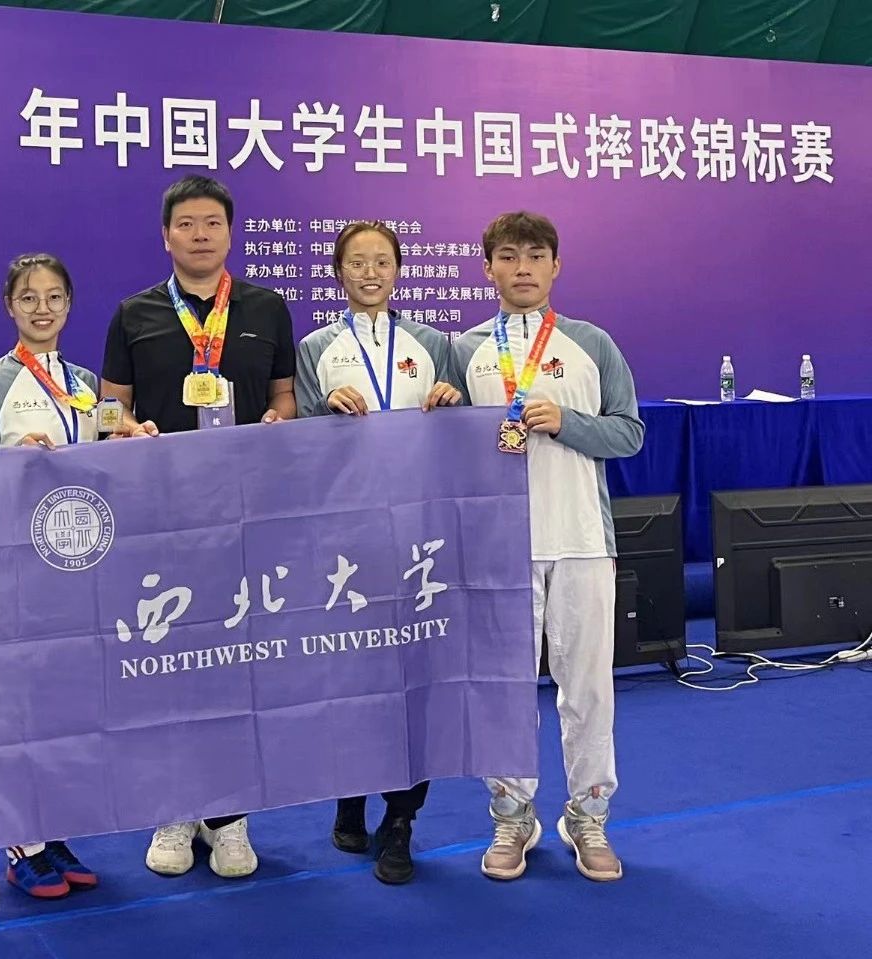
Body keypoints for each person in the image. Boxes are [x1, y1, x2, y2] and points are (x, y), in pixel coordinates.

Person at [99, 175, 297, 879]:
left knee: (239, 665)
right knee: (171, 663)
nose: (201, 234)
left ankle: (230, 814)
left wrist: (276, 422)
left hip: (245, 513)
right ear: (166, 236)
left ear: (230, 232)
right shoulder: (135, 314)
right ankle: (175, 806)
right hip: (163, 517)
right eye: (187, 223)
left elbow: (284, 397)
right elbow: (107, 410)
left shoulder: (266, 307)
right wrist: (127, 430)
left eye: (213, 222)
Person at [445, 211, 644, 883]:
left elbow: (630, 433)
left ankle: (589, 815)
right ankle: (512, 814)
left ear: (556, 266)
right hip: (498, 548)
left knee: (588, 688)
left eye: (535, 255)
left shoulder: (592, 343)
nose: (523, 267)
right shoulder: (464, 349)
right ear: (488, 269)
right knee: (503, 691)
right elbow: (443, 446)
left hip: (583, 539)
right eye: (508, 255)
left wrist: (568, 422)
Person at [296, 220, 460, 884]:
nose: (370, 273)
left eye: (382, 261)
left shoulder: (433, 344)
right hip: (346, 537)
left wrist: (450, 400)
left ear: (398, 270)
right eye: (358, 262)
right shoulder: (315, 347)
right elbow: (298, 445)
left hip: (418, 535)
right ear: (338, 272)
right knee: (352, 673)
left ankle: (401, 818)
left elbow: (459, 436)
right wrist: (321, 410)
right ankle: (350, 794)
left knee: (415, 677)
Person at [0, 252, 100, 899]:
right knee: (21, 706)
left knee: (69, 705)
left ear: (69, 305)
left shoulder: (86, 384)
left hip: (79, 567)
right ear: (9, 306)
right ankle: (22, 841)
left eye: (53, 297)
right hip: (16, 570)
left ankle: (58, 830)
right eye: (28, 298)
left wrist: (132, 439)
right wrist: (11, 459)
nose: (42, 309)